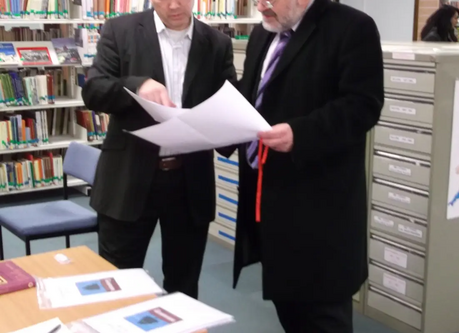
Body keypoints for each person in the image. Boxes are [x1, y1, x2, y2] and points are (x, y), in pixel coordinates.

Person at [227, 0, 384, 331]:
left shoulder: (352, 28)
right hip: (272, 208)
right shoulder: (264, 32)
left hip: (320, 217)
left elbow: (363, 106)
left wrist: (301, 133)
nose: (259, 5)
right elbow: (253, 94)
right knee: (291, 312)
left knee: (322, 318)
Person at [81, 0, 236, 299]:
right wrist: (135, 86)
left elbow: (228, 104)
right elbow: (94, 90)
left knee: (184, 287)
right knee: (118, 285)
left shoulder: (217, 43)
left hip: (189, 182)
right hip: (127, 179)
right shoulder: (120, 30)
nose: (174, 5)